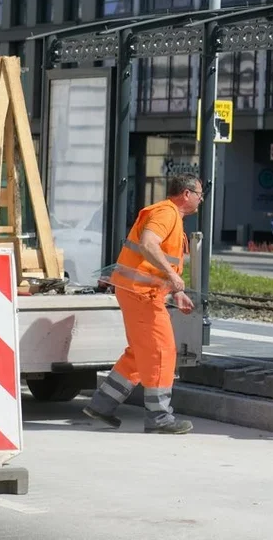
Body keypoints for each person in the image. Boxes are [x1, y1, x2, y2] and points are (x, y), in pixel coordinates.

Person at [83, 173, 201, 434]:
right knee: (162, 351)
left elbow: (156, 260)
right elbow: (149, 244)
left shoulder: (171, 216)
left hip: (141, 291)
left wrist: (175, 290)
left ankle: (102, 405)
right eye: (199, 195)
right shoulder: (166, 213)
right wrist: (172, 276)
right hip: (141, 294)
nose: (200, 200)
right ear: (186, 194)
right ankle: (159, 417)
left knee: (140, 353)